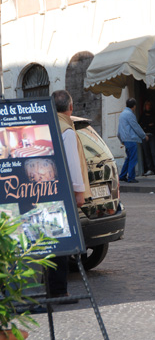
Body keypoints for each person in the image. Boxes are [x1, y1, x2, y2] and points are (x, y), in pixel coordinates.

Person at [48, 89, 92, 300]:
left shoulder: (48, 126)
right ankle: (58, 290)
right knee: (62, 243)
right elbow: (73, 165)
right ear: (71, 108)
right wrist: (79, 193)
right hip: (63, 194)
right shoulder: (67, 130)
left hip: (47, 192)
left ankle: (53, 289)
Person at [118, 98, 147, 183]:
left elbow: (119, 130)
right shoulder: (129, 114)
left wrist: (121, 139)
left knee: (128, 158)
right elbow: (135, 126)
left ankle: (122, 176)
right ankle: (131, 177)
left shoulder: (122, 114)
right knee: (133, 159)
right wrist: (143, 135)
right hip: (130, 139)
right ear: (134, 106)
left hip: (125, 139)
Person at [139, 100, 155, 175]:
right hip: (144, 136)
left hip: (153, 135)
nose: (148, 106)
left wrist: (147, 126)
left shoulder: (154, 114)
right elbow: (141, 126)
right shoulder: (142, 115)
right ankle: (149, 169)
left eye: (149, 105)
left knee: (154, 152)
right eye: (147, 105)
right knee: (146, 153)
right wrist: (148, 126)